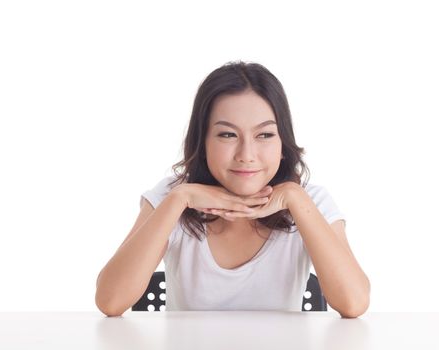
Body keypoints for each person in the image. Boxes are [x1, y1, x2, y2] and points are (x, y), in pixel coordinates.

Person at [95, 61, 370, 318]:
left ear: (283, 143)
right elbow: (110, 301)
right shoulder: (172, 196)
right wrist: (180, 198)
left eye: (264, 135)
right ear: (202, 142)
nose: (246, 154)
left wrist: (296, 199)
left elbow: (354, 303)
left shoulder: (311, 201)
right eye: (227, 134)